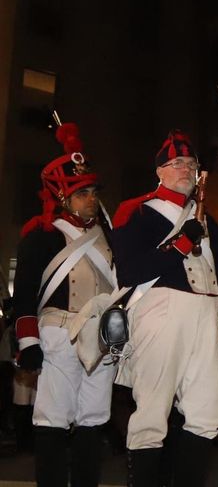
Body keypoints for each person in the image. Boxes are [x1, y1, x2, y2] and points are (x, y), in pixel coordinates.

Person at [113, 130, 218, 486]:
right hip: (162, 309)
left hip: (205, 315)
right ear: (159, 171)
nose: (186, 169)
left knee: (208, 412)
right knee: (152, 413)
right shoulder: (138, 211)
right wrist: (181, 243)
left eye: (190, 164)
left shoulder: (204, 217)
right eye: (176, 163)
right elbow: (130, 271)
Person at [13, 123, 117, 486]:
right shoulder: (42, 234)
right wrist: (28, 342)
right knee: (53, 420)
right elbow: (24, 292)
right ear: (63, 197)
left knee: (94, 418)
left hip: (100, 337)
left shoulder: (107, 236)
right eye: (82, 193)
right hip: (59, 334)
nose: (91, 198)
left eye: (92, 192)